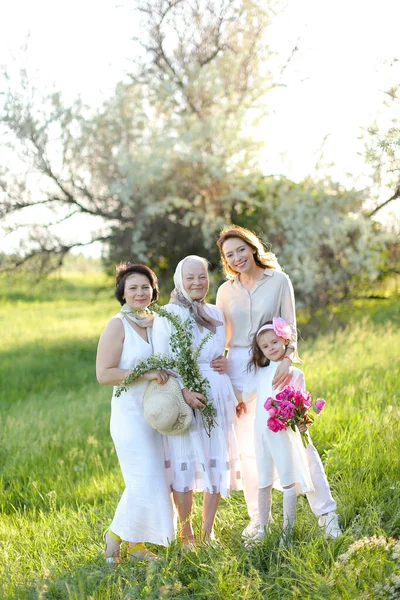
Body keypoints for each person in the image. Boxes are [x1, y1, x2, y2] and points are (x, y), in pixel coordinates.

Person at [215, 224, 341, 539]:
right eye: (229, 255)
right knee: (248, 450)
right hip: (237, 372)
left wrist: (286, 360)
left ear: (252, 247)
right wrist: (215, 360)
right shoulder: (225, 290)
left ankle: (327, 516)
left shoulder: (279, 281)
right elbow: (220, 337)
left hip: (273, 365)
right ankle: (259, 522)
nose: (236, 257)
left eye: (240, 249)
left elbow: (291, 328)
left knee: (298, 442)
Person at [152, 255, 241, 545]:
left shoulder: (215, 312)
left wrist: (226, 363)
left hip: (217, 393)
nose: (197, 282)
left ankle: (207, 531)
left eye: (202, 276)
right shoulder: (167, 315)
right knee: (184, 465)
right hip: (184, 395)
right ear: (179, 279)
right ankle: (186, 532)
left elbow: (223, 351)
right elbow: (164, 362)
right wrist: (184, 393)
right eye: (190, 277)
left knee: (215, 462)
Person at [96, 263, 175, 563]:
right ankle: (115, 537)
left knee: (157, 477)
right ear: (123, 293)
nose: (140, 293)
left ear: (154, 291)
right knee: (143, 478)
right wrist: (146, 374)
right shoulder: (117, 325)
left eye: (145, 287)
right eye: (133, 288)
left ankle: (136, 545)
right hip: (130, 415)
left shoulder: (156, 322)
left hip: (157, 412)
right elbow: (104, 374)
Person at [243, 318, 314, 542]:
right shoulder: (260, 373)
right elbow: (245, 395)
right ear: (260, 351)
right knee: (263, 480)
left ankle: (288, 530)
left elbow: (301, 405)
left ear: (284, 340)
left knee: (287, 479)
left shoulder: (295, 374)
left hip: (282, 433)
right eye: (265, 346)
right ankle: (263, 528)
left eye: (274, 342)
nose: (271, 348)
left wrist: (303, 422)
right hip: (261, 434)